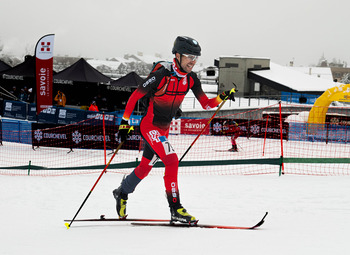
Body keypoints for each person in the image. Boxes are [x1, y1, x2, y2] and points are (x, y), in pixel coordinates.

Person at [113, 36, 235, 225]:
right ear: (177, 55)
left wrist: (222, 97)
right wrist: (124, 122)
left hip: (163, 130)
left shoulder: (191, 79)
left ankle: (122, 191)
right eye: (188, 56)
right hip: (149, 126)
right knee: (172, 160)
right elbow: (135, 95)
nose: (192, 61)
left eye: (195, 57)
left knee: (144, 168)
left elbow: (206, 104)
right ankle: (176, 208)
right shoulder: (162, 74)